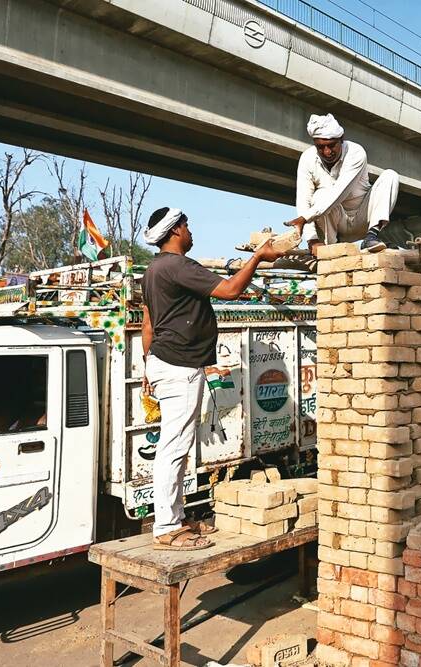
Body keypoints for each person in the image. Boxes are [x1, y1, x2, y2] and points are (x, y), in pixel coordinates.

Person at [141, 207, 283, 550]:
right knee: (174, 448)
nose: (191, 231)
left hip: (163, 362)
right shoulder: (179, 266)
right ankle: (167, 526)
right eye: (187, 226)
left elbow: (148, 323)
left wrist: (148, 366)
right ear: (175, 231)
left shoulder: (152, 271)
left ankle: (175, 516)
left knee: (175, 446)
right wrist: (258, 258)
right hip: (180, 366)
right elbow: (231, 290)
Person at [285, 113, 399, 254]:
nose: (327, 152)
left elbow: (339, 192)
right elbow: (303, 200)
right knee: (321, 195)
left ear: (341, 139)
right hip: (336, 226)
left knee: (390, 175)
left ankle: (371, 237)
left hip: (362, 218)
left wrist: (305, 218)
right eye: (321, 147)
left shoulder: (356, 152)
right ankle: (332, 247)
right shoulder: (307, 158)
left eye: (332, 145)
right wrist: (312, 240)